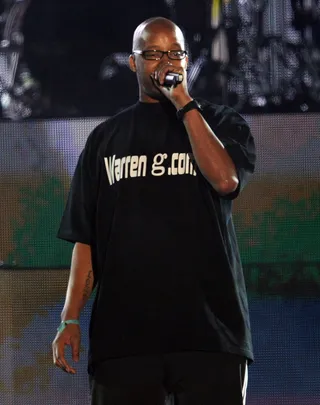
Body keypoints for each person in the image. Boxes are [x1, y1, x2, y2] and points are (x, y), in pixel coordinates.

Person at [52, 16, 256, 405]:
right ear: (133, 62)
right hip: (124, 340)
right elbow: (86, 239)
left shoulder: (222, 123)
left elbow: (226, 181)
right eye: (154, 54)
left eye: (175, 53)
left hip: (210, 334)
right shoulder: (104, 140)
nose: (167, 63)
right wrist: (70, 318)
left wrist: (183, 102)